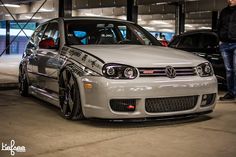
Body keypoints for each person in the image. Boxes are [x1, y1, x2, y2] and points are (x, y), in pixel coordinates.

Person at [218, 0, 236, 100]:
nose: (230, 0)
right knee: (229, 70)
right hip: (224, 44)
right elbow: (219, 26)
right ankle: (231, 93)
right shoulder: (224, 11)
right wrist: (219, 39)